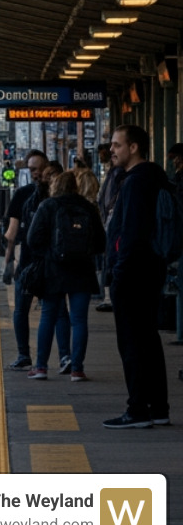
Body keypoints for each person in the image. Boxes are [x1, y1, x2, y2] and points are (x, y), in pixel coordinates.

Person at [103, 124, 172, 428]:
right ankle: (158, 407)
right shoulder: (158, 177)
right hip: (152, 268)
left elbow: (130, 233)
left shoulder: (134, 183)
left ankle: (137, 409)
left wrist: (118, 272)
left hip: (132, 273)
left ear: (133, 148)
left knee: (131, 343)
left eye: (117, 145)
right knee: (149, 341)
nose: (112, 150)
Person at [24, 171, 105, 382]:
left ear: (55, 186)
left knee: (48, 317)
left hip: (54, 271)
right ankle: (77, 369)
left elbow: (33, 239)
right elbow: (101, 243)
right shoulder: (88, 207)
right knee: (79, 320)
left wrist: (51, 254)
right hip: (83, 271)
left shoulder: (48, 206)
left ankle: (41, 367)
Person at [2, 149, 47, 369]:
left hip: (36, 264)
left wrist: (8, 264)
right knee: (54, 312)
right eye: (32, 170)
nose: (35, 173)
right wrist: (9, 263)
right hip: (39, 263)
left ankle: (24, 355)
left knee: (22, 310)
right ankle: (66, 358)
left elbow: (11, 234)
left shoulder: (22, 194)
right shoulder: (55, 193)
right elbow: (11, 235)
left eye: (37, 169)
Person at [96, 142, 124, 312]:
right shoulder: (113, 172)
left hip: (113, 223)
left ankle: (110, 297)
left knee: (111, 259)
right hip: (109, 221)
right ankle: (108, 296)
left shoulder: (119, 174)